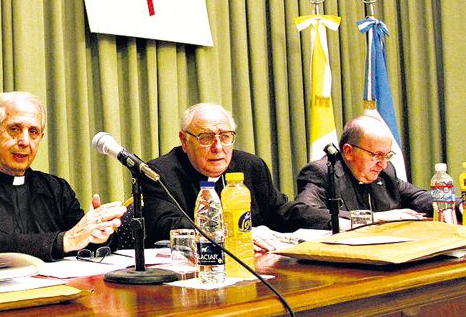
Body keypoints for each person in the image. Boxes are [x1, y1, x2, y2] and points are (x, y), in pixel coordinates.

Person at [0, 92, 126, 263]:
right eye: (14, 129)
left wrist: (99, 233)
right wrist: (63, 241)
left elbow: (80, 237)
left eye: (33, 132)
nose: (25, 141)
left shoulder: (57, 189)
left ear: (41, 137)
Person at [140, 103, 291, 249]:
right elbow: (163, 226)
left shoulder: (251, 166)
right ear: (184, 141)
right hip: (188, 262)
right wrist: (234, 232)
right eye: (206, 137)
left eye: (225, 136)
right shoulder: (160, 173)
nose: (218, 147)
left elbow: (279, 212)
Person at [285, 115, 431, 229]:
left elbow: (418, 196)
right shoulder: (322, 172)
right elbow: (304, 214)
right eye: (377, 155)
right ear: (349, 151)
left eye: (387, 155)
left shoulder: (385, 172)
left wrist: (445, 202)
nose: (383, 163)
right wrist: (373, 218)